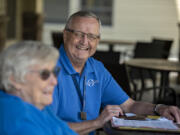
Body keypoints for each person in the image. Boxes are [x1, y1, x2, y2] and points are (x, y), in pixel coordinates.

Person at [50, 11, 180, 135]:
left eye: (91, 36)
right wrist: (97, 122)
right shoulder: (48, 69)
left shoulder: (97, 69)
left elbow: (129, 105)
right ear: (65, 34)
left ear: (97, 41)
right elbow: (47, 128)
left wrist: (160, 108)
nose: (84, 41)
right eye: (78, 34)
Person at [0, 41, 78, 135]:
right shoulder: (17, 118)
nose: (55, 82)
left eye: (55, 72)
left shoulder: (39, 107)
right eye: (45, 74)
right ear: (15, 79)